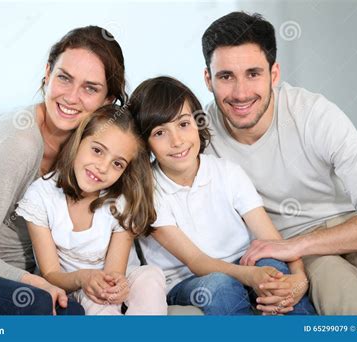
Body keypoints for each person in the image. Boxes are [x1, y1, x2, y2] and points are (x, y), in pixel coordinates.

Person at [0, 26, 127, 315]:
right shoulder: (21, 142)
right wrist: (38, 284)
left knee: (71, 312)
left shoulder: (87, 150)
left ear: (107, 101)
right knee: (45, 305)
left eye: (90, 88)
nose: (71, 97)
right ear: (47, 73)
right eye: (64, 78)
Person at [201, 11, 357, 315]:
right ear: (208, 79)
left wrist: (298, 245)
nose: (240, 93)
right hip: (296, 249)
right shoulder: (197, 137)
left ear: (274, 74)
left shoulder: (312, 113)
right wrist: (293, 252)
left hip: (351, 226)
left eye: (253, 73)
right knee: (345, 297)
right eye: (226, 76)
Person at [129, 76, 315, 315]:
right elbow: (196, 261)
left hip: (244, 263)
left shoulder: (227, 172)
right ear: (145, 143)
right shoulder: (148, 191)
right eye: (160, 133)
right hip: (188, 279)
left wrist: (299, 278)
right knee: (220, 287)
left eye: (184, 124)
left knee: (275, 270)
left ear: (197, 122)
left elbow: (273, 240)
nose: (177, 141)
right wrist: (249, 276)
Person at [16, 105, 167, 315]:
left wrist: (117, 285)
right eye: (97, 151)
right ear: (78, 142)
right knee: (96, 301)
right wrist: (84, 278)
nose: (102, 167)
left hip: (113, 277)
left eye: (117, 164)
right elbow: (50, 273)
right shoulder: (40, 196)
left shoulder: (120, 201)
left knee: (151, 276)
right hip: (73, 284)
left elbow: (115, 272)